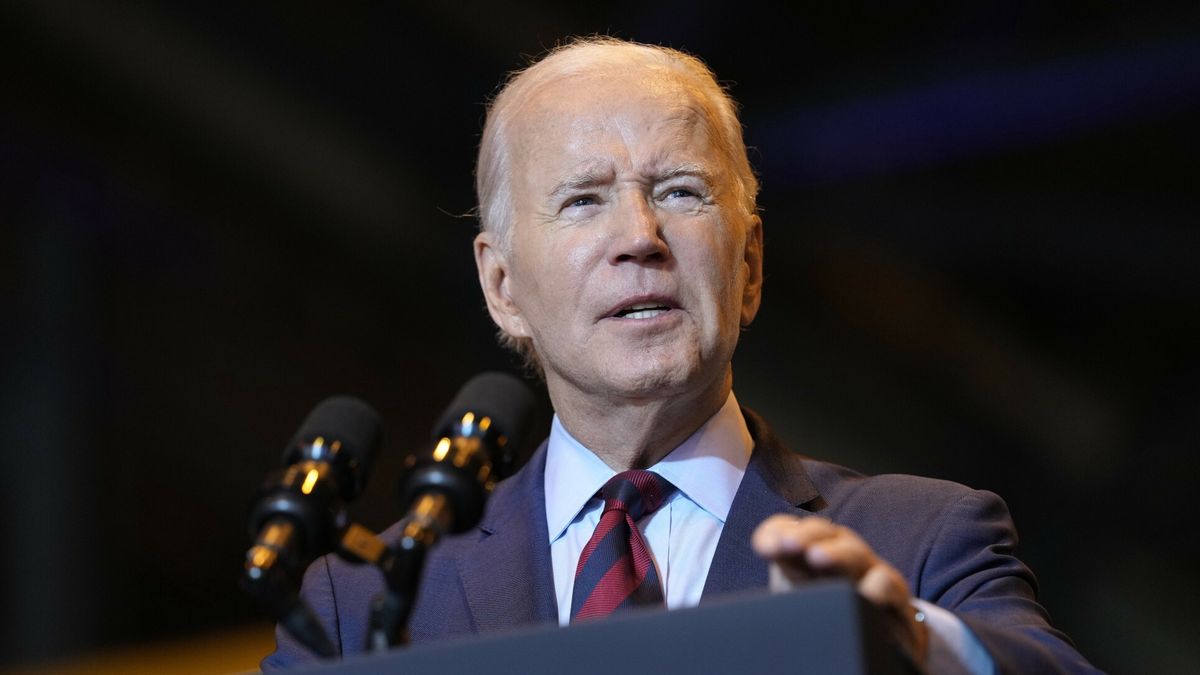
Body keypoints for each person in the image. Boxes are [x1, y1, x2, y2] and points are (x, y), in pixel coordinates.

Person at [263, 37, 1099, 673]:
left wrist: (908, 642)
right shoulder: (364, 602)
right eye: (583, 200)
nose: (640, 236)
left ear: (750, 266)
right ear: (502, 284)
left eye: (680, 192)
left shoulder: (919, 538)